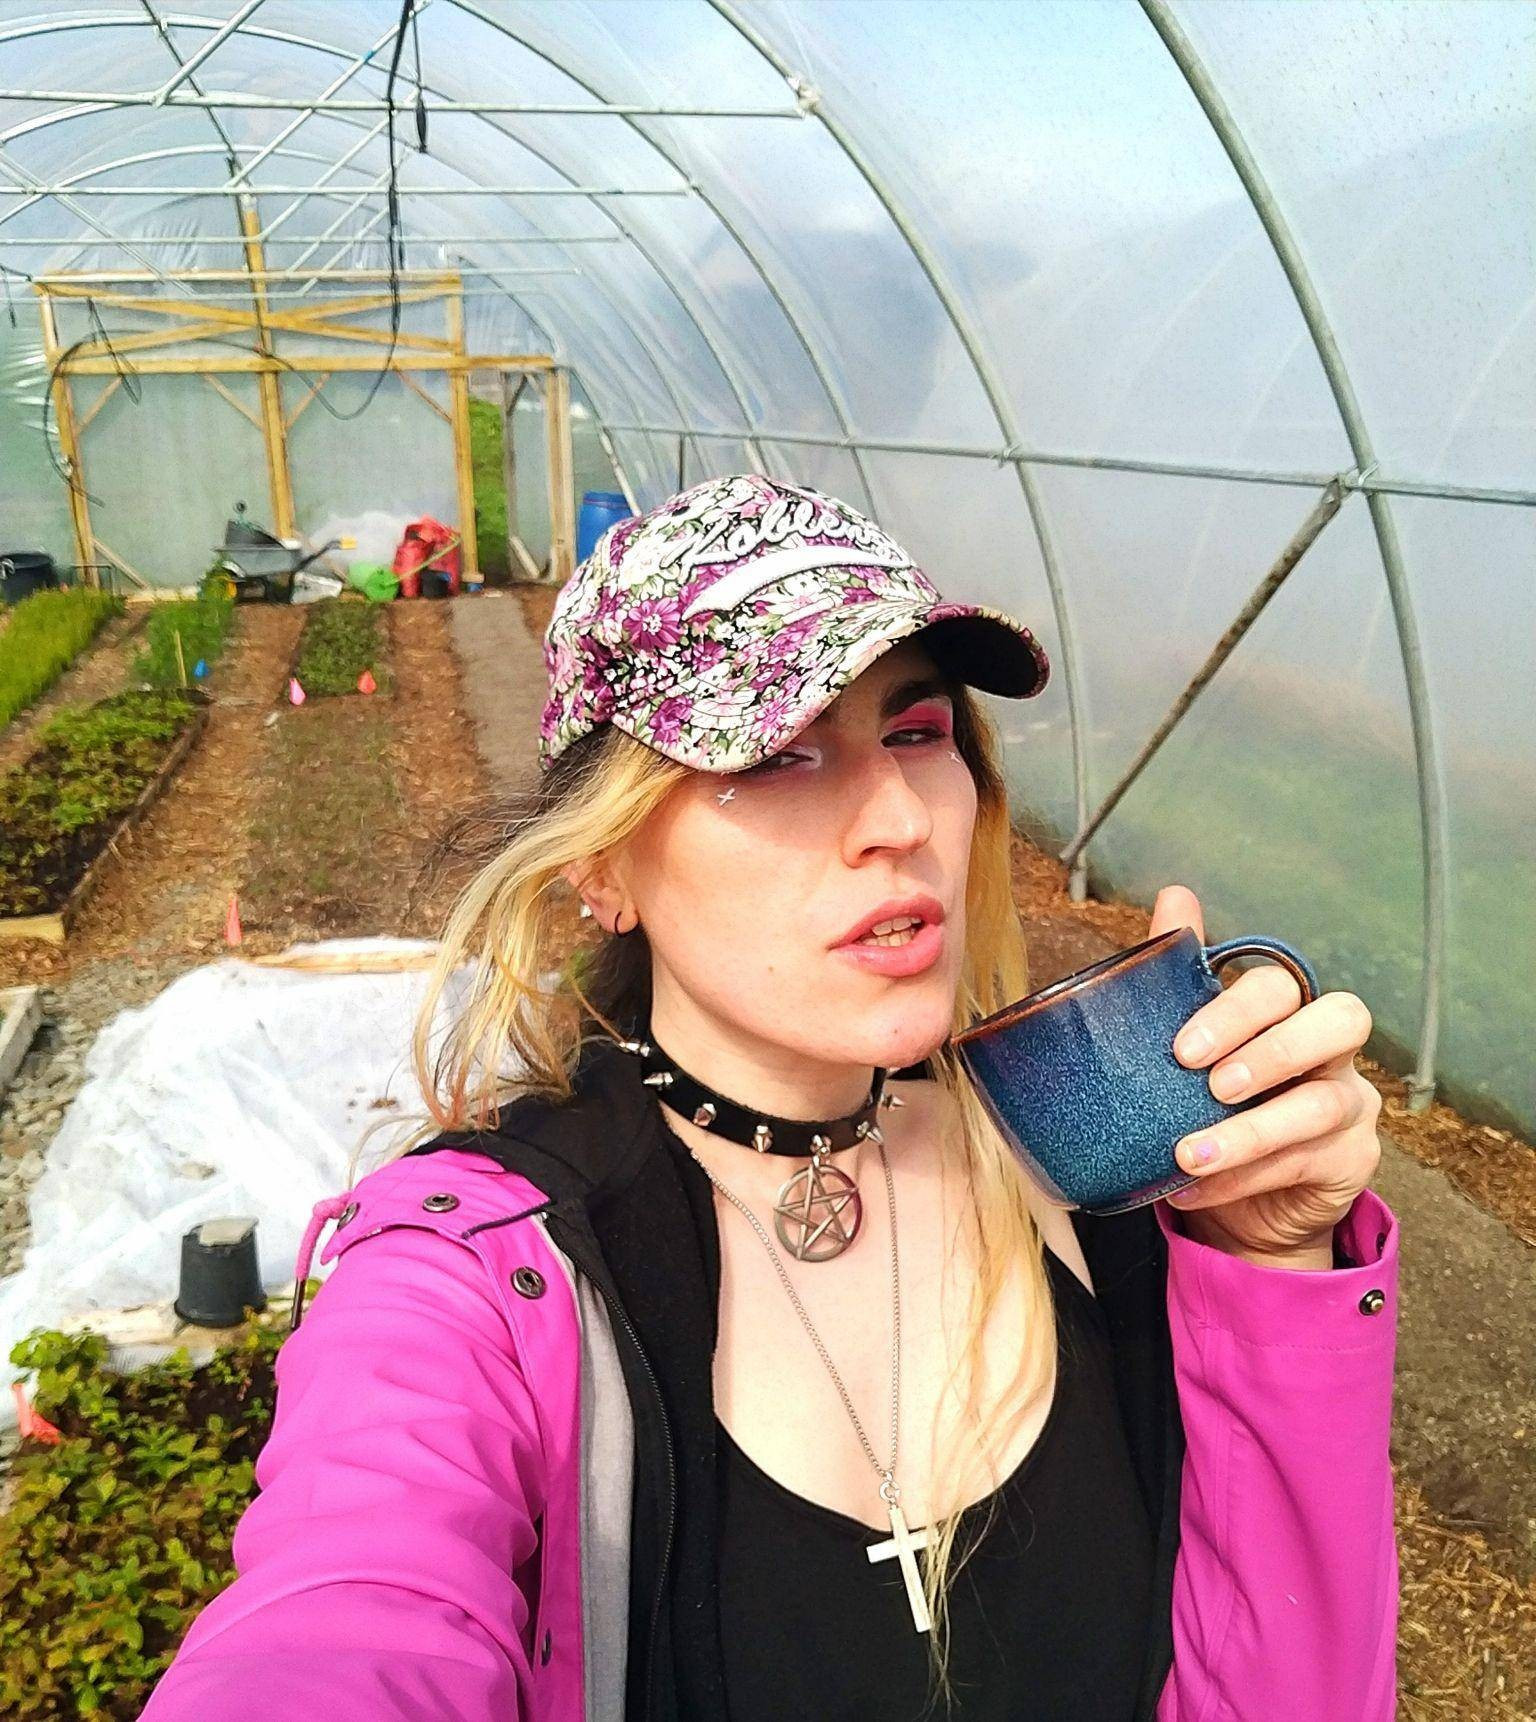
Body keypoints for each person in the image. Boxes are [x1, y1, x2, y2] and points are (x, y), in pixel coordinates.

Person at [141, 474, 1399, 1722]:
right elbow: (345, 1614)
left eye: (918, 733)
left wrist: (1272, 1265)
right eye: (776, 754)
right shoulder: (478, 1284)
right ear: (603, 864)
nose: (900, 817)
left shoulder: (1084, 1178)